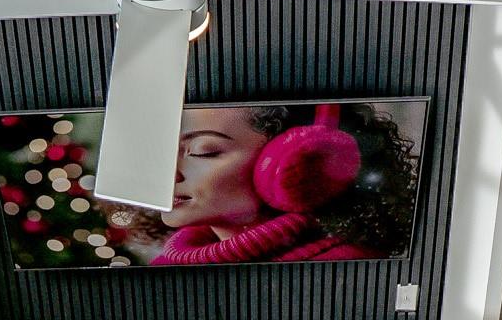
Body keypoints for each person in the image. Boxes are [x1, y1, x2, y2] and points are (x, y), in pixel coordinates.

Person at [145, 102, 419, 265]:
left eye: (203, 151)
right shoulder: (164, 266)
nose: (169, 174)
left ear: (299, 160)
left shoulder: (348, 270)